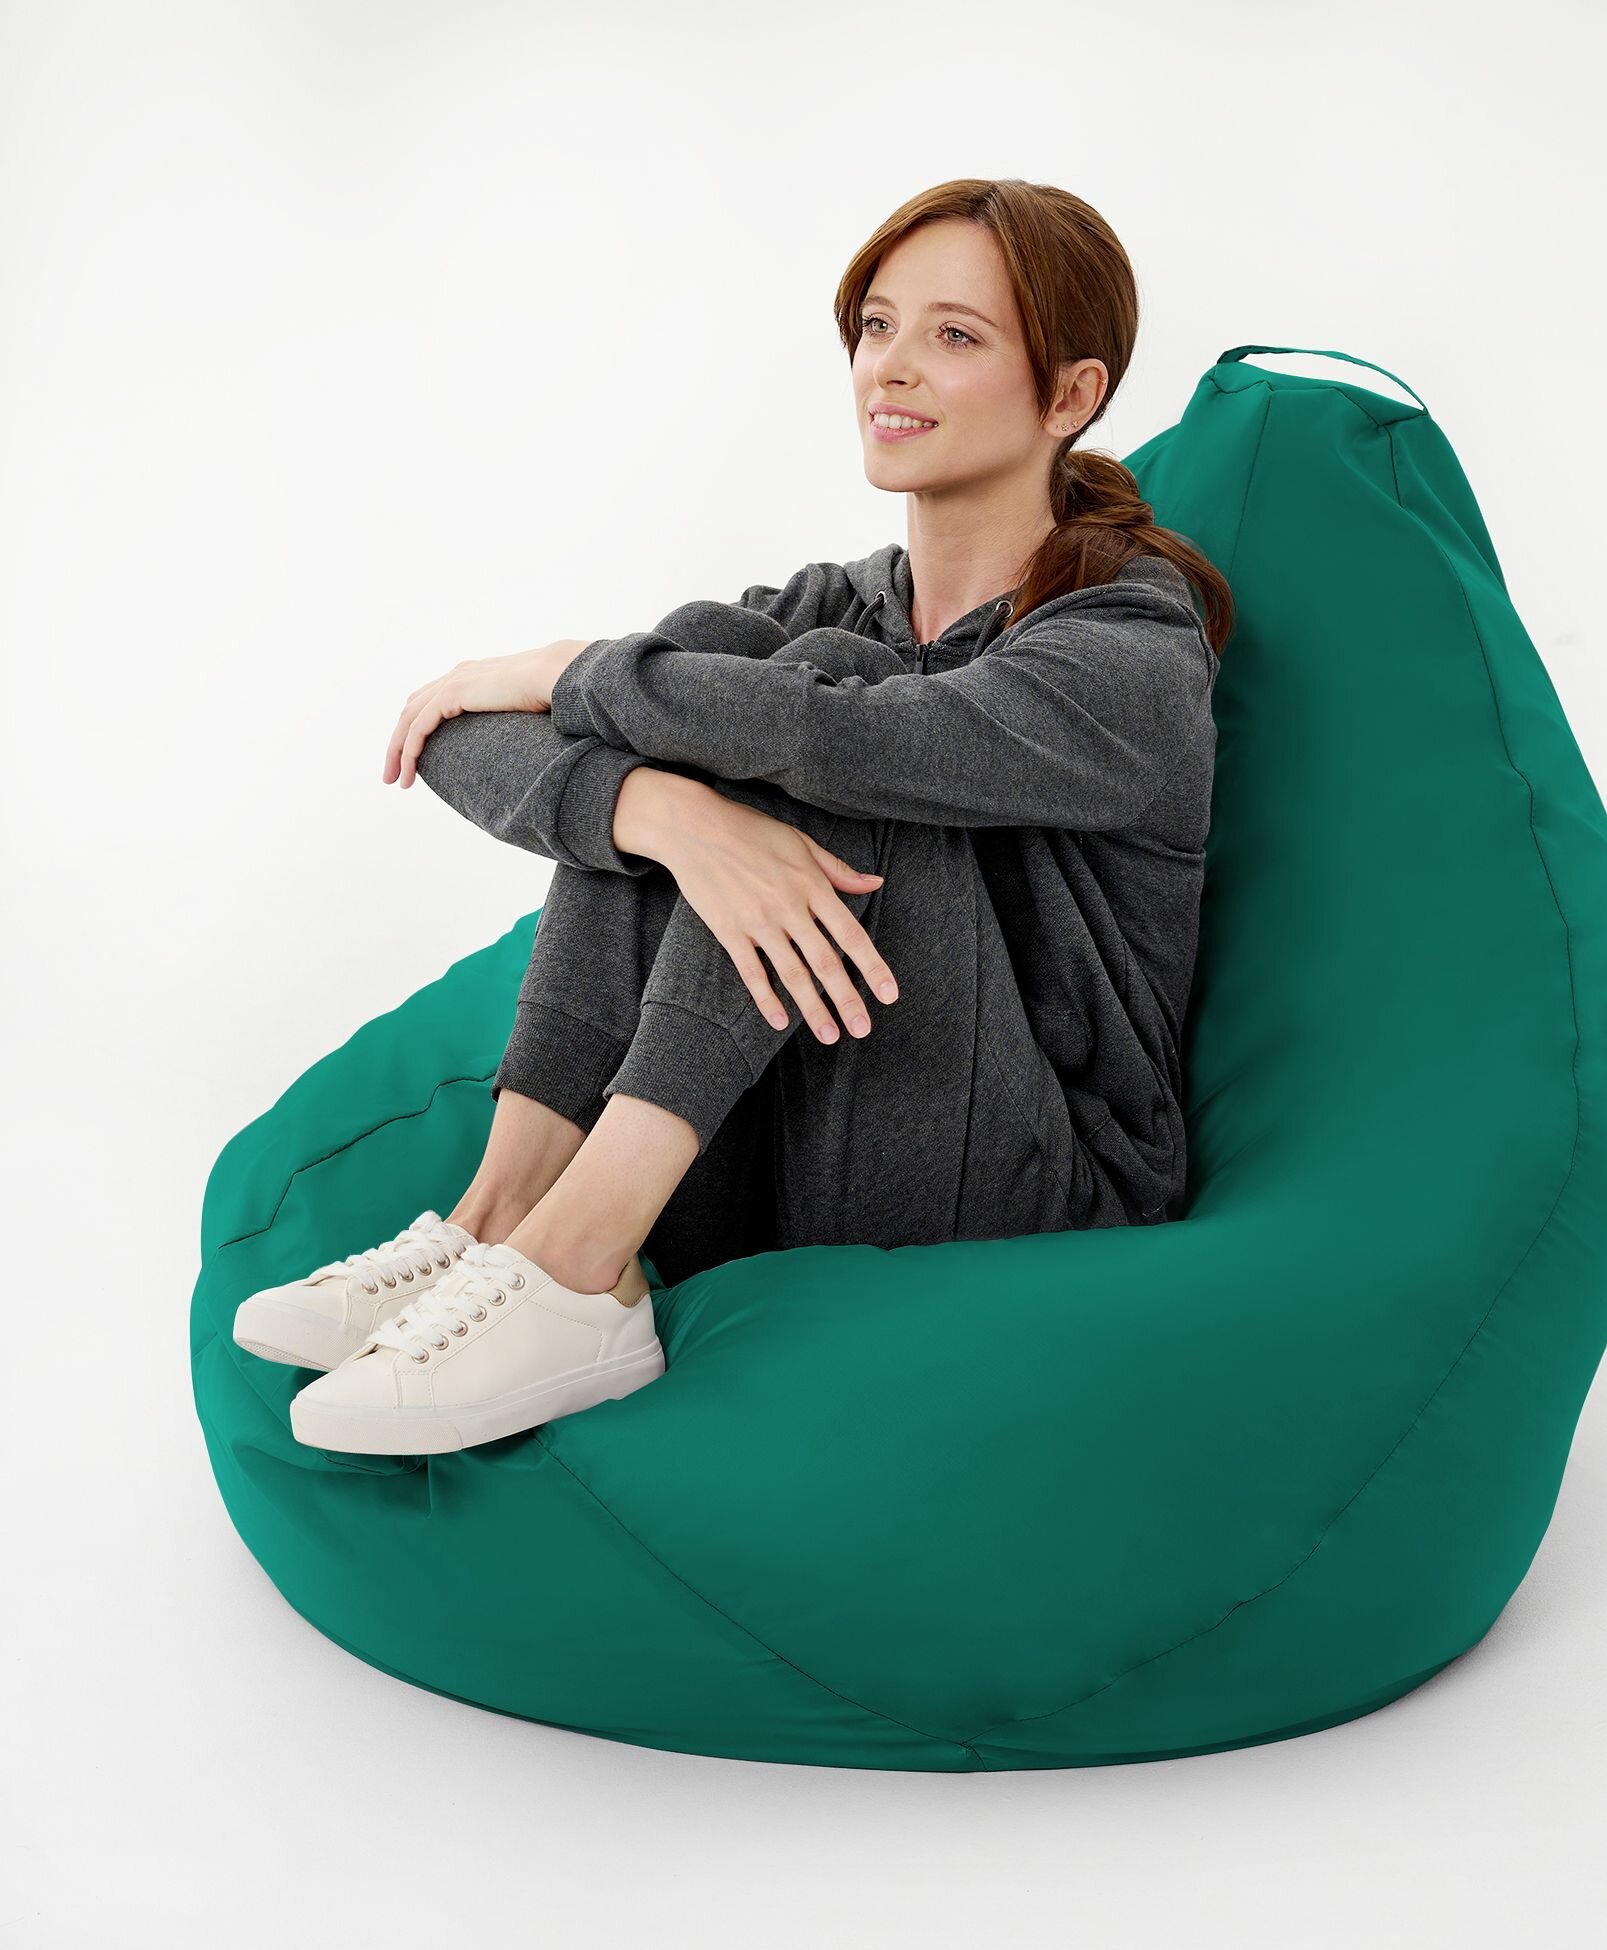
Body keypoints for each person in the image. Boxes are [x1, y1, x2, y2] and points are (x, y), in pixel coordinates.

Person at [235, 176, 1234, 1459]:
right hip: (777, 1155)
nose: (891, 367)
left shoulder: (1129, 647)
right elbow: (460, 743)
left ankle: (578, 1265)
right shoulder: (833, 600)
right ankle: (501, 1218)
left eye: (954, 335)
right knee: (719, 698)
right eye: (876, 326)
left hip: (1036, 1196)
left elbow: (847, 737)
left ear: (1071, 396)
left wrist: (572, 666)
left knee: (815, 702)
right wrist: (667, 817)